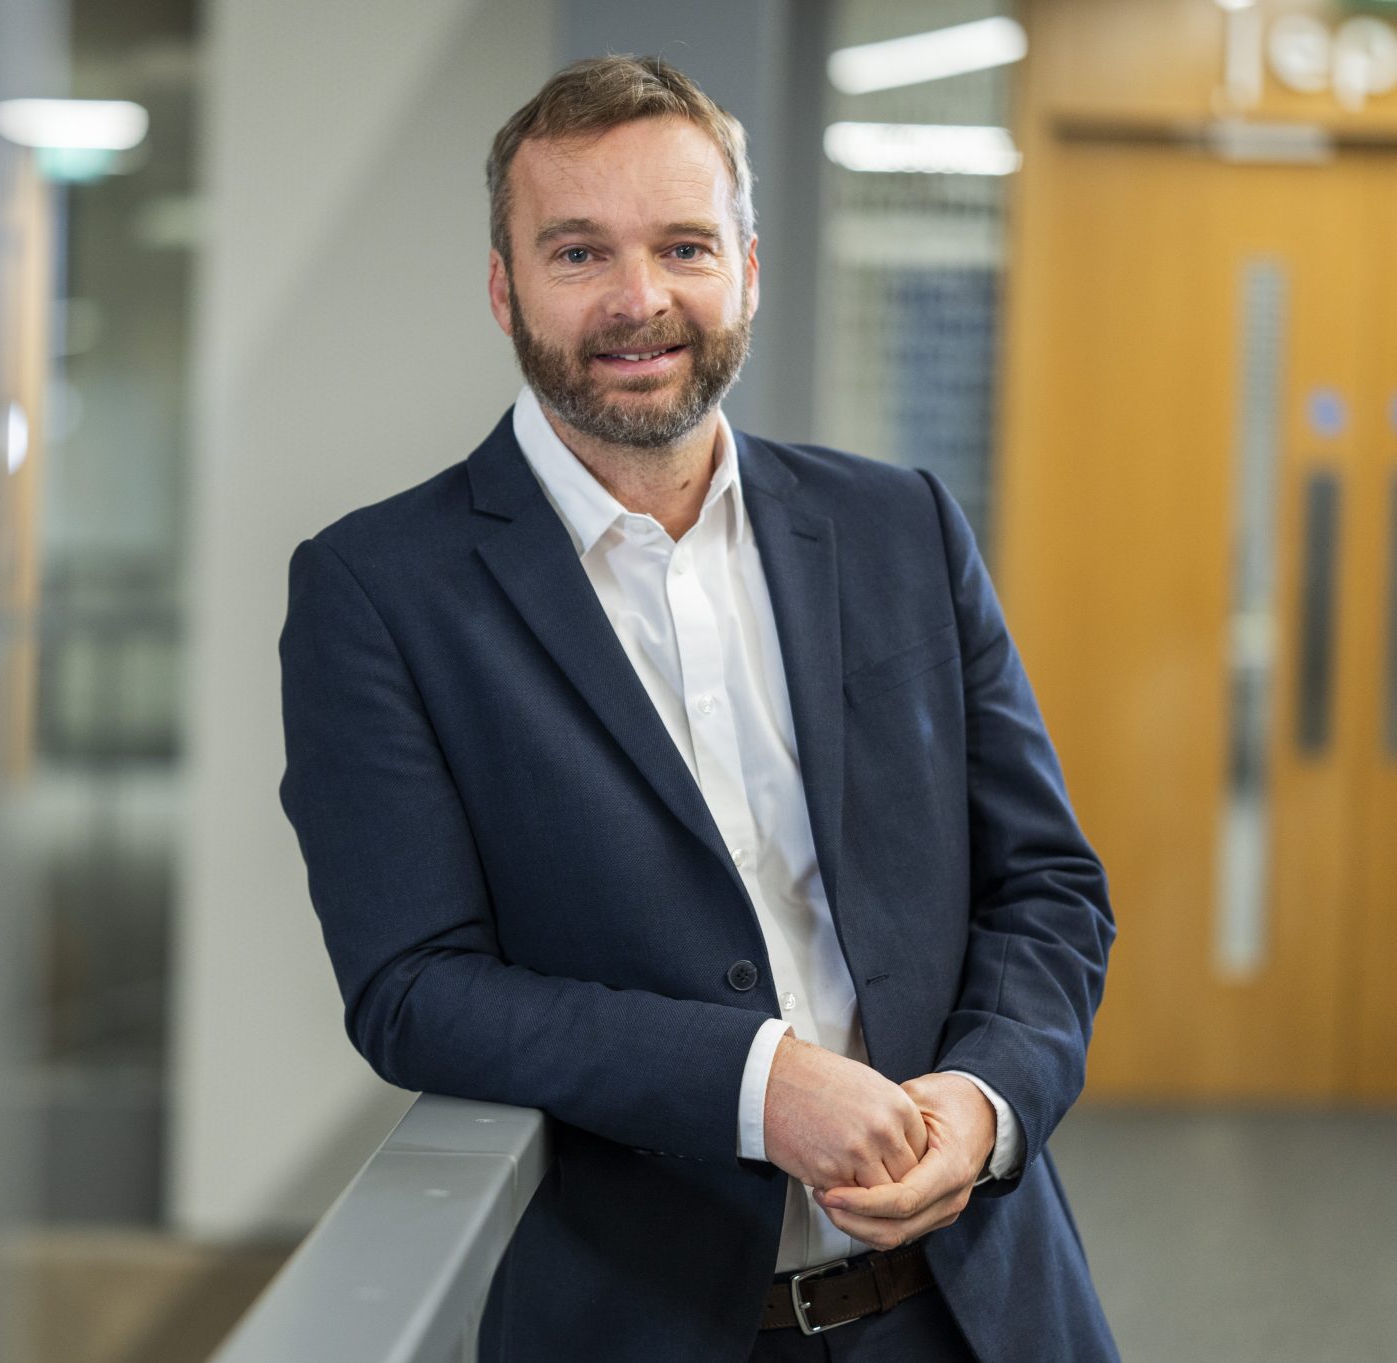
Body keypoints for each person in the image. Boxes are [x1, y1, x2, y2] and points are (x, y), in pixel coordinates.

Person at [277, 55, 1117, 1363]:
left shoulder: (900, 526)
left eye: (684, 245)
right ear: (504, 288)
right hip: (653, 1325)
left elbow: (1048, 888)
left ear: (749, 270)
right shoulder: (379, 591)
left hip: (977, 1309)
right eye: (577, 253)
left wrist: (984, 1102)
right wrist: (753, 1083)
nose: (639, 299)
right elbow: (413, 987)